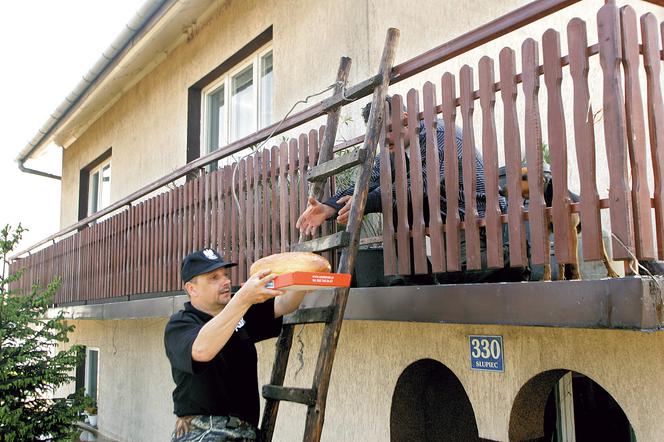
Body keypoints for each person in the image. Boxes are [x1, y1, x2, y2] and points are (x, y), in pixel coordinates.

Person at [297, 96, 527, 283]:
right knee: (393, 205)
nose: (383, 139)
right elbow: (368, 183)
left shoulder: (440, 133)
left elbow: (423, 184)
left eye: (387, 129)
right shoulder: (391, 150)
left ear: (405, 119)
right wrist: (328, 207)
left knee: (455, 276)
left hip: (479, 222)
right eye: (376, 134)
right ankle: (420, 278)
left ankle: (515, 262)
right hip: (446, 226)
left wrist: (366, 202)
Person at [164, 248, 307, 441]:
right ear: (192, 289)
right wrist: (243, 299)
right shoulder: (180, 324)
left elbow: (284, 304)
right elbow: (202, 350)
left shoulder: (240, 311)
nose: (225, 281)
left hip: (245, 432)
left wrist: (301, 280)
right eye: (213, 277)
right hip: (201, 431)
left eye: (225, 274)